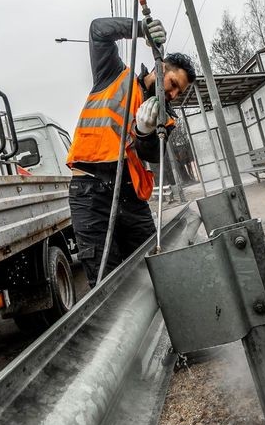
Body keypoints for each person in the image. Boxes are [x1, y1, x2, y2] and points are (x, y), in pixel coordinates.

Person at [66, 16, 197, 283]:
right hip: (90, 192)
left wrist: (143, 132)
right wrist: (140, 30)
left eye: (178, 93)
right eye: (173, 84)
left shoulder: (165, 116)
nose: (172, 94)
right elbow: (98, 30)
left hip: (130, 194)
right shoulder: (113, 73)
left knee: (152, 266)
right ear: (161, 67)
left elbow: (152, 155)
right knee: (105, 278)